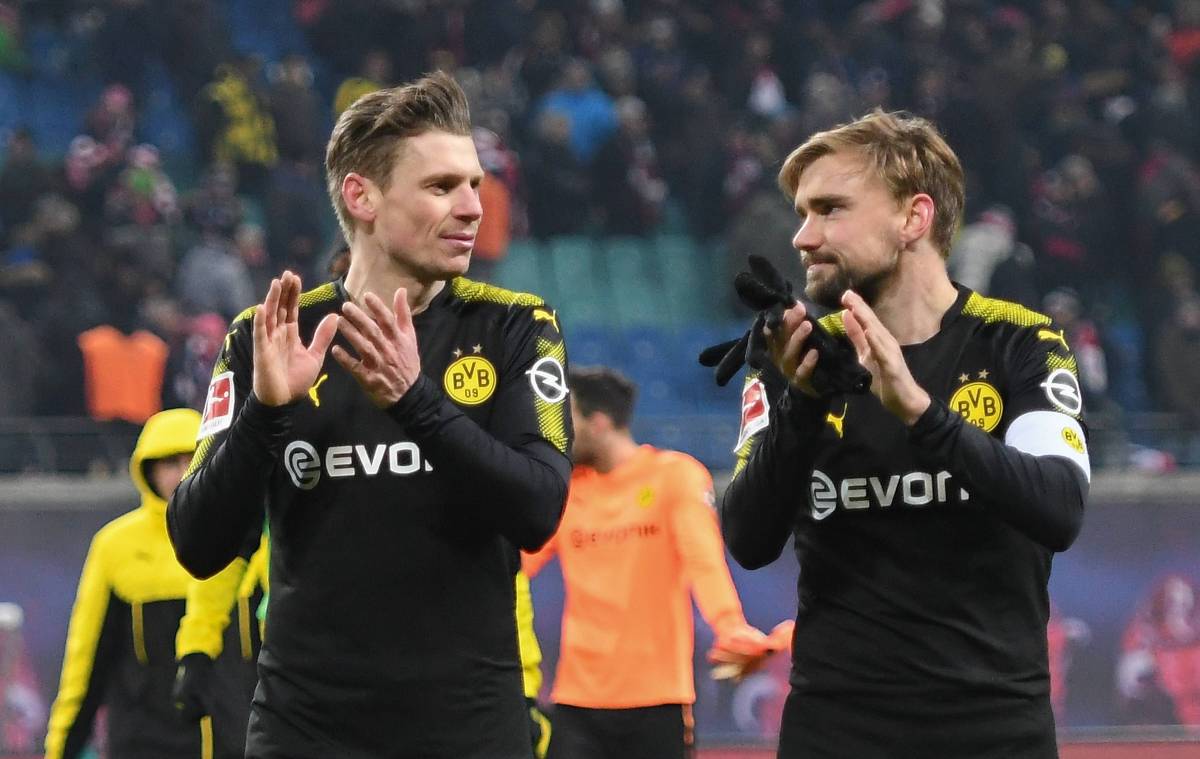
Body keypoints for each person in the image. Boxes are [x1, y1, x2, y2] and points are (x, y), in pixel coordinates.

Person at [166, 71, 573, 758]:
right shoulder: (266, 336)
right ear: (362, 196)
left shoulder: (515, 328)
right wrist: (265, 414)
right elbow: (200, 545)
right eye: (443, 187)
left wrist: (417, 403)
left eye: (474, 184)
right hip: (307, 730)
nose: (475, 206)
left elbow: (539, 511)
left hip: (468, 729)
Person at [721, 110, 1091, 757]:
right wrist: (803, 404)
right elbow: (748, 539)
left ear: (913, 218)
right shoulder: (797, 354)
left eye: (830, 209)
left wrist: (923, 413)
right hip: (836, 729)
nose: (804, 237)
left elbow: (1058, 507)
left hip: (995, 727)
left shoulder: (1020, 341)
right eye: (802, 213)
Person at [524, 366, 774, 759]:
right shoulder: (568, 490)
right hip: (576, 701)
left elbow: (703, 561)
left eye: (565, 417)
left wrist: (730, 627)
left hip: (658, 701)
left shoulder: (674, 476)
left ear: (599, 422)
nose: (555, 430)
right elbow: (516, 566)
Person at [44, 408, 248, 758]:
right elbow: (86, 660)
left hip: (237, 738)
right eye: (169, 463)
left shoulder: (247, 537)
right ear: (148, 470)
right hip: (146, 741)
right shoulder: (116, 545)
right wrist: (62, 747)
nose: (182, 473)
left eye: (193, 459)